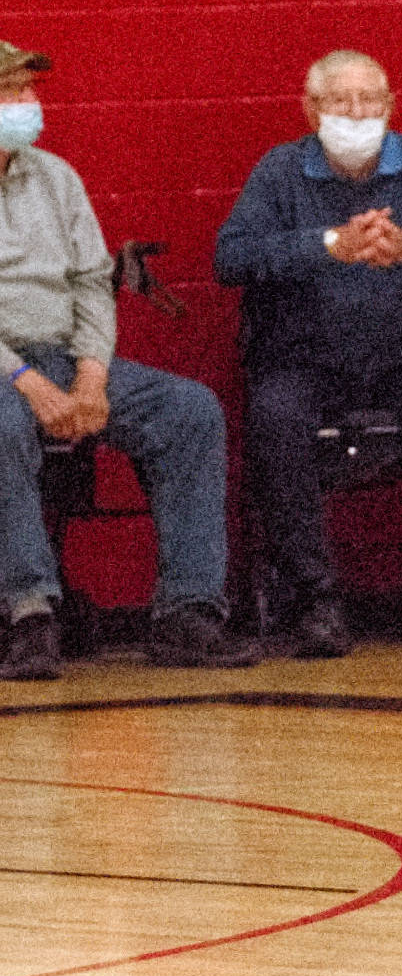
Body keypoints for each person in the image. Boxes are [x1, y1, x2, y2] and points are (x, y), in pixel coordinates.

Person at [215, 50, 402, 655]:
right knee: (274, 417)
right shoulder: (280, 172)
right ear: (311, 110)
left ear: (391, 107)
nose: (357, 113)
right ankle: (311, 598)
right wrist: (328, 245)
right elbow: (231, 257)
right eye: (340, 102)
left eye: (370, 100)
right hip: (304, 361)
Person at [0, 41, 255, 678]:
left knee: (190, 411)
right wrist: (28, 383)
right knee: (3, 426)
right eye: (12, 93)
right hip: (7, 374)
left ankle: (186, 613)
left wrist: (90, 375)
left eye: (29, 92)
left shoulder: (54, 177)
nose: (28, 105)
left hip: (63, 357)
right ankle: (28, 614)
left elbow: (90, 280)